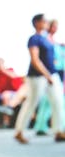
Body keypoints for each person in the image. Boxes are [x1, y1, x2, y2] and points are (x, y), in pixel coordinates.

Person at [14, 14, 65, 144]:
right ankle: (19, 131)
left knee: (58, 102)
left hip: (52, 75)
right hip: (38, 76)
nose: (46, 23)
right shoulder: (34, 39)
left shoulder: (47, 39)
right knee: (32, 102)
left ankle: (59, 130)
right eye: (44, 20)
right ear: (37, 22)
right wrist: (47, 74)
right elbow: (35, 60)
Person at [34, 19, 65, 135]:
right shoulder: (44, 39)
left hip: (58, 72)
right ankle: (48, 127)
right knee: (51, 101)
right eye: (54, 26)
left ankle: (50, 126)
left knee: (56, 100)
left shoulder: (54, 41)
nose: (55, 28)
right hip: (50, 73)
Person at [0, 58, 26, 128]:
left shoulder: (9, 70)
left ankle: (8, 110)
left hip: (15, 93)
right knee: (5, 95)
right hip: (3, 95)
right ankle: (6, 121)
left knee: (7, 95)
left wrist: (3, 70)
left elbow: (15, 78)